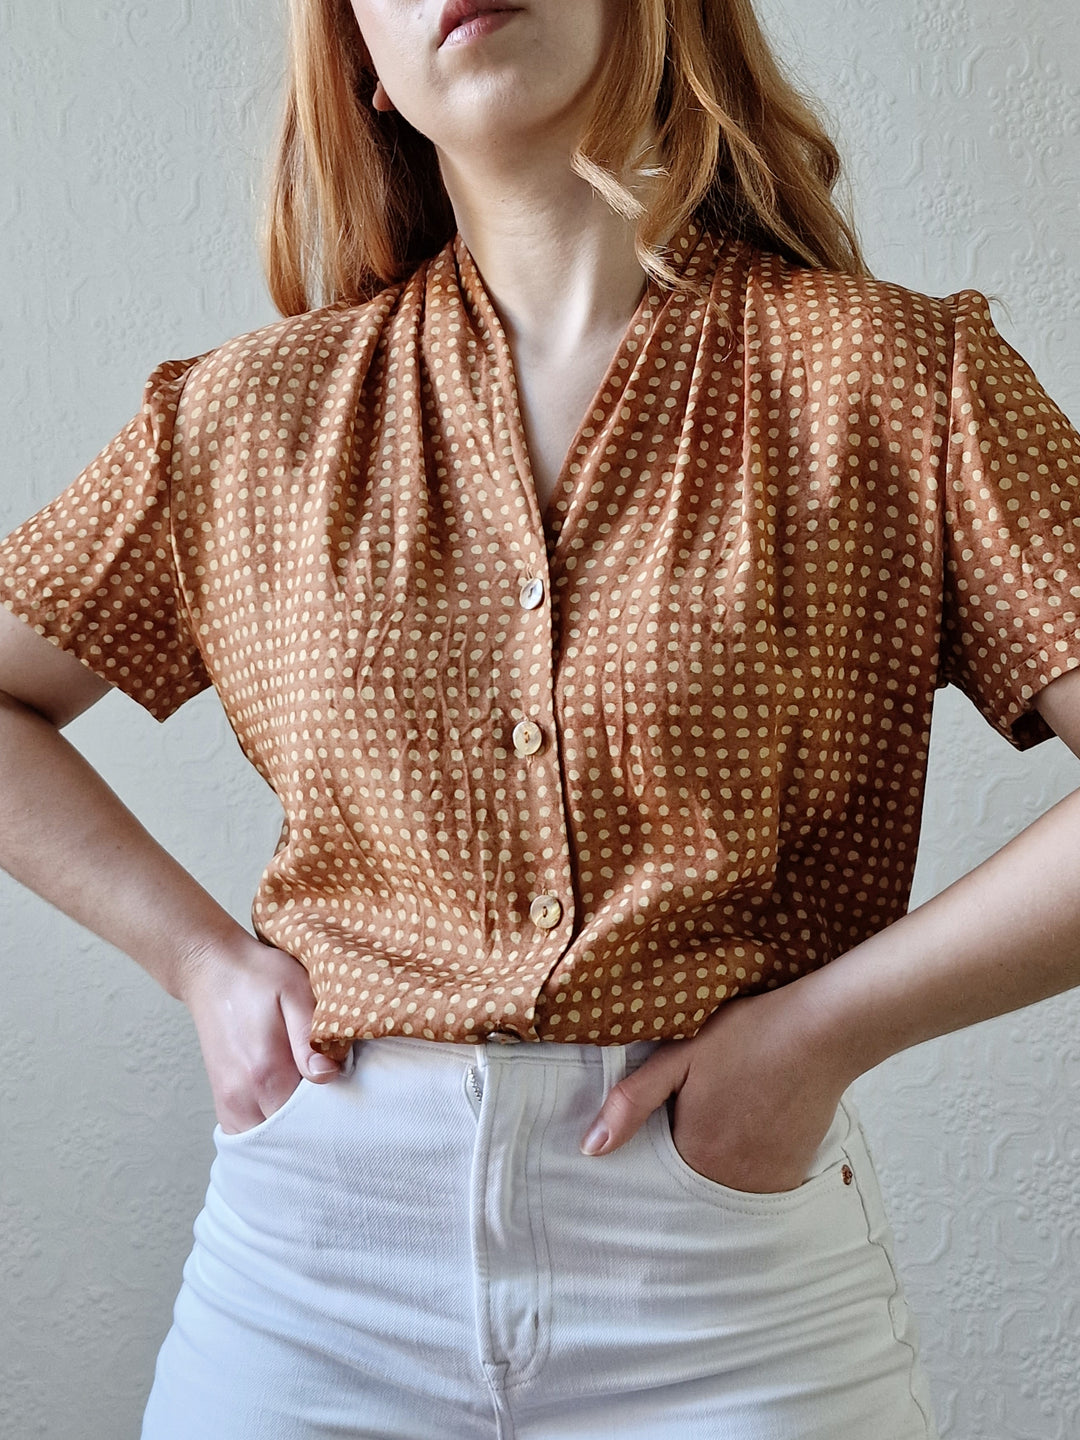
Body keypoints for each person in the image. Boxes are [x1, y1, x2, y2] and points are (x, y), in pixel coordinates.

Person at [1, 0, 1078, 1435]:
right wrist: (201, 964)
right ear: (361, 66)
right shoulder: (244, 419)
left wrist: (816, 1037)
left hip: (727, 1282)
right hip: (312, 1277)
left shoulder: (897, 383)